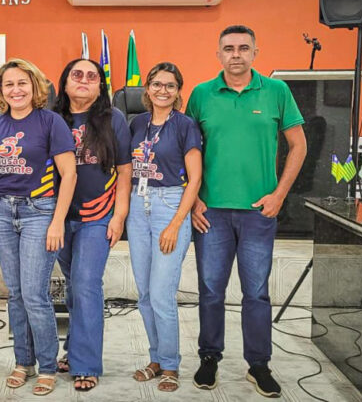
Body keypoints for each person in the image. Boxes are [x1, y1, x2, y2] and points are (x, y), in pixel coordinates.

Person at [186, 25, 306, 397]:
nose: (235, 54)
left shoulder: (276, 91)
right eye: (228, 48)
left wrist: (279, 195)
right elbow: (185, 150)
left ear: (256, 52)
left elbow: (299, 146)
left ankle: (258, 365)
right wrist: (194, 201)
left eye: (243, 48)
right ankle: (210, 359)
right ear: (217, 54)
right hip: (211, 213)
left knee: (256, 292)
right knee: (210, 290)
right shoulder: (201, 95)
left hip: (259, 212)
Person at [0, 59, 77, 396]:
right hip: (0, 213)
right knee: (14, 293)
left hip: (38, 212)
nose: (16, 90)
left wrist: (57, 220)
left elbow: (69, 174)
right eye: (8, 84)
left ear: (35, 87)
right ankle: (22, 361)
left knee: (34, 293)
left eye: (22, 83)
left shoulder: (50, 122)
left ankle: (47, 366)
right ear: (0, 91)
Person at [51, 58, 132, 391]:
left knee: (86, 283)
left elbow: (125, 170)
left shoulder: (114, 120)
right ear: (65, 83)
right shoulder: (51, 119)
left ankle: (86, 364)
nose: (84, 80)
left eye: (91, 76)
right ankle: (74, 350)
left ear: (100, 85)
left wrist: (120, 215)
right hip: (58, 217)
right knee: (73, 286)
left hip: (97, 216)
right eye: (77, 75)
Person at [125, 62, 203, 392]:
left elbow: (195, 178)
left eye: (170, 85)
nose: (162, 90)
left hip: (169, 205)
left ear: (178, 91)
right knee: (143, 294)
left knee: (161, 294)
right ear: (147, 89)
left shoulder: (185, 125)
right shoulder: (137, 123)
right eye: (157, 84)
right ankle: (155, 358)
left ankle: (170, 364)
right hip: (137, 208)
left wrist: (175, 223)